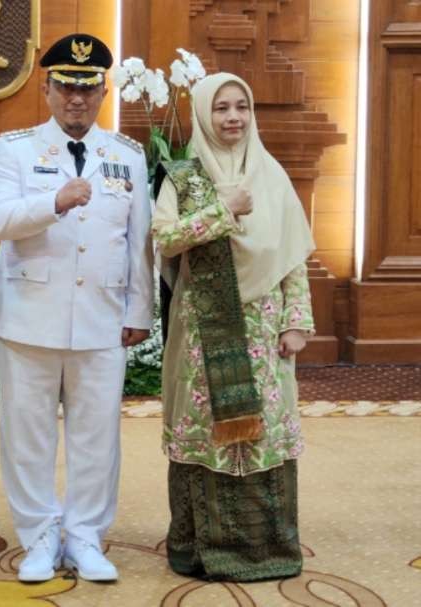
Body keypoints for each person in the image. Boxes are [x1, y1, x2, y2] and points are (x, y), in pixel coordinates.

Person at [0, 33, 154, 583]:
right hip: (30, 318)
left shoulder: (126, 155)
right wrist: (53, 202)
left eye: (87, 88)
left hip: (103, 319)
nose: (75, 99)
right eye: (65, 87)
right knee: (27, 435)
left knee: (96, 437)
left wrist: (139, 312)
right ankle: (37, 537)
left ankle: (84, 536)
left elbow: (140, 241)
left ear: (103, 91)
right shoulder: (15, 148)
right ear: (46, 88)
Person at [152, 72, 314, 582]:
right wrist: (223, 211)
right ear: (203, 113)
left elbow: (294, 259)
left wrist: (297, 322)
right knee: (208, 434)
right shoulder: (182, 176)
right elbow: (166, 239)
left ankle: (267, 547)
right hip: (202, 329)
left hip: (265, 331)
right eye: (220, 108)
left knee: (263, 430)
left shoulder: (272, 175)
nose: (232, 118)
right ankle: (199, 548)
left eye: (240, 107)